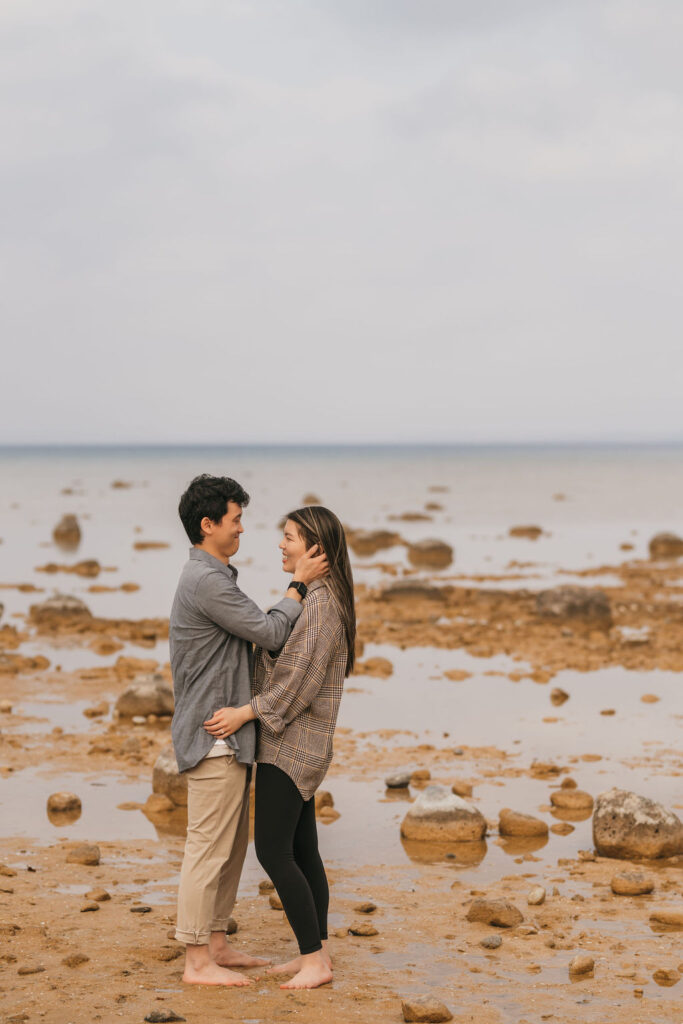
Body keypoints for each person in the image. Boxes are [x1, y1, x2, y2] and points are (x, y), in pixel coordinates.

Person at [169, 475, 328, 987]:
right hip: (214, 731)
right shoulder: (207, 581)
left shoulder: (220, 576)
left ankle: (216, 942)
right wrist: (299, 584)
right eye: (235, 520)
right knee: (207, 848)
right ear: (207, 524)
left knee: (231, 846)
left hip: (231, 732)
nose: (242, 529)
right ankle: (197, 962)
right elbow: (271, 630)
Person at [205, 505, 356, 990]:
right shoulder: (316, 597)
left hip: (291, 746)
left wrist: (245, 712)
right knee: (303, 849)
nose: (279, 544)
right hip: (295, 741)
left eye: (289, 537)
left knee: (272, 850)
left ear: (315, 547)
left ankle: (313, 961)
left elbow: (298, 683)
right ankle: (318, 954)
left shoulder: (322, 605)